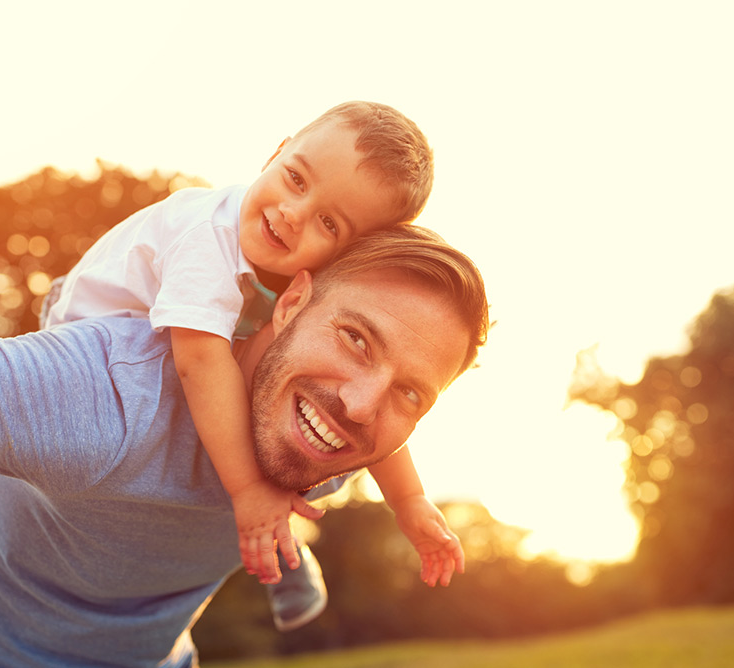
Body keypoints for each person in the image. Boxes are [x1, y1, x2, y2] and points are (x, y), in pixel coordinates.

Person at [0, 225, 489, 667]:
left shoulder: (331, 433)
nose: (361, 403)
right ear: (289, 303)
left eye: (410, 395)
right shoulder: (103, 396)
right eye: (356, 338)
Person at [40, 101, 456, 631]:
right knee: (238, 441)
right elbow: (198, 361)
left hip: (172, 354)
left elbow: (366, 389)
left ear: (348, 256)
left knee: (306, 412)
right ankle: (278, 550)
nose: (293, 213)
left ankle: (281, 552)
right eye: (296, 178)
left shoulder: (296, 272)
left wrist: (410, 500)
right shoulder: (204, 236)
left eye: (329, 222)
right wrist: (249, 491)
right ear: (277, 152)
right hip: (93, 353)